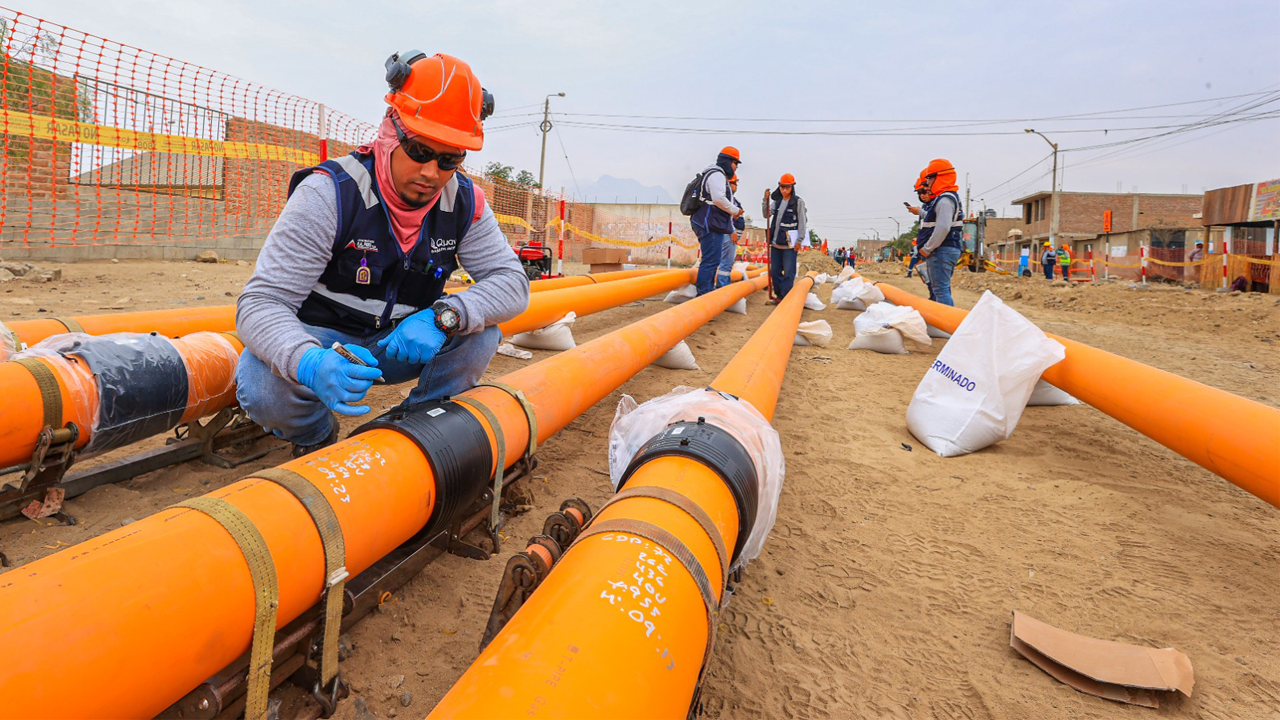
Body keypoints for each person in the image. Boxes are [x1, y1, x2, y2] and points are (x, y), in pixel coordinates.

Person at [235, 51, 530, 456]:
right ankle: (315, 436)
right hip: (326, 342)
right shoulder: (331, 194)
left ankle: (410, 428)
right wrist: (308, 361)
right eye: (419, 151)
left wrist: (444, 315)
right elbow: (261, 302)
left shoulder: (464, 203)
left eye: (449, 159)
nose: (431, 173)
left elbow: (512, 284)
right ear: (390, 129)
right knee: (261, 383)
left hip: (402, 342)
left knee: (481, 334)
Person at [909, 159, 964, 306]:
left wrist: (927, 248)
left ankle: (945, 320)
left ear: (939, 177)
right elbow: (934, 219)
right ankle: (944, 317)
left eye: (929, 178)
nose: (928, 182)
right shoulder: (944, 199)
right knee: (940, 289)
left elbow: (943, 227)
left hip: (942, 250)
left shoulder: (945, 200)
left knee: (940, 290)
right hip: (943, 250)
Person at [691, 147, 743, 295]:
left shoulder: (716, 174)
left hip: (711, 223)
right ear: (728, 161)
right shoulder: (717, 175)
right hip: (709, 224)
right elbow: (718, 199)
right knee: (711, 260)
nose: (736, 167)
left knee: (713, 259)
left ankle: (707, 291)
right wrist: (735, 210)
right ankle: (704, 293)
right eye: (735, 163)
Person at [765, 173, 807, 301]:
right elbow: (766, 214)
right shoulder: (777, 202)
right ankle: (779, 295)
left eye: (787, 187)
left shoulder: (798, 203)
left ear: (792, 187)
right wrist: (765, 201)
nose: (784, 190)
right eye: (782, 187)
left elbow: (802, 222)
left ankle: (785, 298)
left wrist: (799, 240)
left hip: (790, 245)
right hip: (776, 243)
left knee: (789, 272)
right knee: (775, 272)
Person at [716, 174, 745, 288]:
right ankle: (722, 287)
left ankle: (723, 285)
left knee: (727, 263)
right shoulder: (725, 200)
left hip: (731, 236)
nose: (736, 186)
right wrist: (731, 231)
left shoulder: (732, 199)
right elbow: (726, 219)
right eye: (734, 183)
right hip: (728, 235)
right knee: (726, 263)